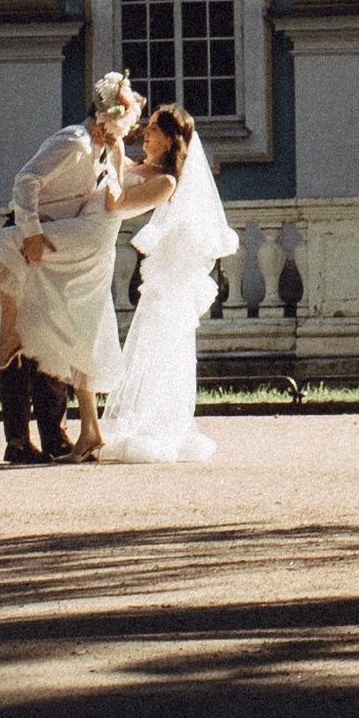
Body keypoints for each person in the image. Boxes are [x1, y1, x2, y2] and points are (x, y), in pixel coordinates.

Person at [0, 70, 170, 462]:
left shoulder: (104, 149)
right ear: (107, 118)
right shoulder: (73, 141)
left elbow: (128, 174)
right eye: (126, 123)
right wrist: (29, 233)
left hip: (58, 240)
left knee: (53, 331)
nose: (129, 131)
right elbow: (26, 180)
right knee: (21, 343)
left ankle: (54, 434)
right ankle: (16, 441)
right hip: (32, 237)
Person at [101, 100, 240, 466]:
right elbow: (130, 168)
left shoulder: (167, 182)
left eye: (151, 130)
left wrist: (115, 152)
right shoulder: (156, 172)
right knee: (152, 351)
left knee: (163, 352)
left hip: (170, 288)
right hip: (163, 284)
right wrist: (114, 140)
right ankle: (156, 421)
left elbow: (117, 200)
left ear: (167, 139)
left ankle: (162, 428)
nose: (144, 135)